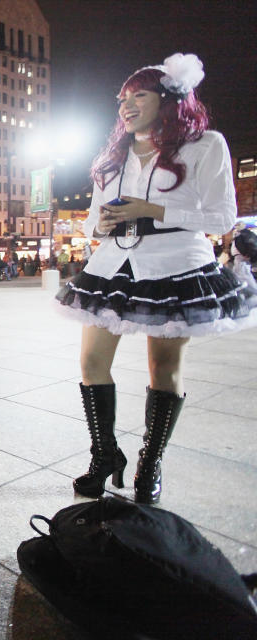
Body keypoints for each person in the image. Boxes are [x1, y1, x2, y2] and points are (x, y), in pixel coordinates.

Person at [55, 53, 257, 504]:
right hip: (113, 265)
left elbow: (223, 215)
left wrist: (153, 210)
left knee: (163, 367)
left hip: (176, 264)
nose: (126, 106)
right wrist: (101, 225)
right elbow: (89, 222)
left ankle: (151, 460)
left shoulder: (205, 145)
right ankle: (105, 454)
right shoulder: (111, 158)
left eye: (138, 96)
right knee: (91, 362)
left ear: (168, 99)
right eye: (122, 99)